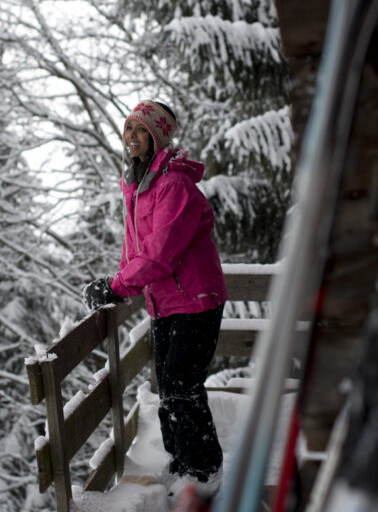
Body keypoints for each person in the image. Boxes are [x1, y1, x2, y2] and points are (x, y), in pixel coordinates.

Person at [83, 100, 229, 487]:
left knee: (182, 387)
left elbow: (160, 253)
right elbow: (134, 251)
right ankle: (183, 466)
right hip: (165, 303)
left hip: (196, 300)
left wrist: (117, 286)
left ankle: (204, 473)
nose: (131, 136)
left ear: (157, 136)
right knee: (169, 389)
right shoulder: (137, 183)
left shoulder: (173, 184)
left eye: (140, 129)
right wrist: (118, 280)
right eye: (128, 127)